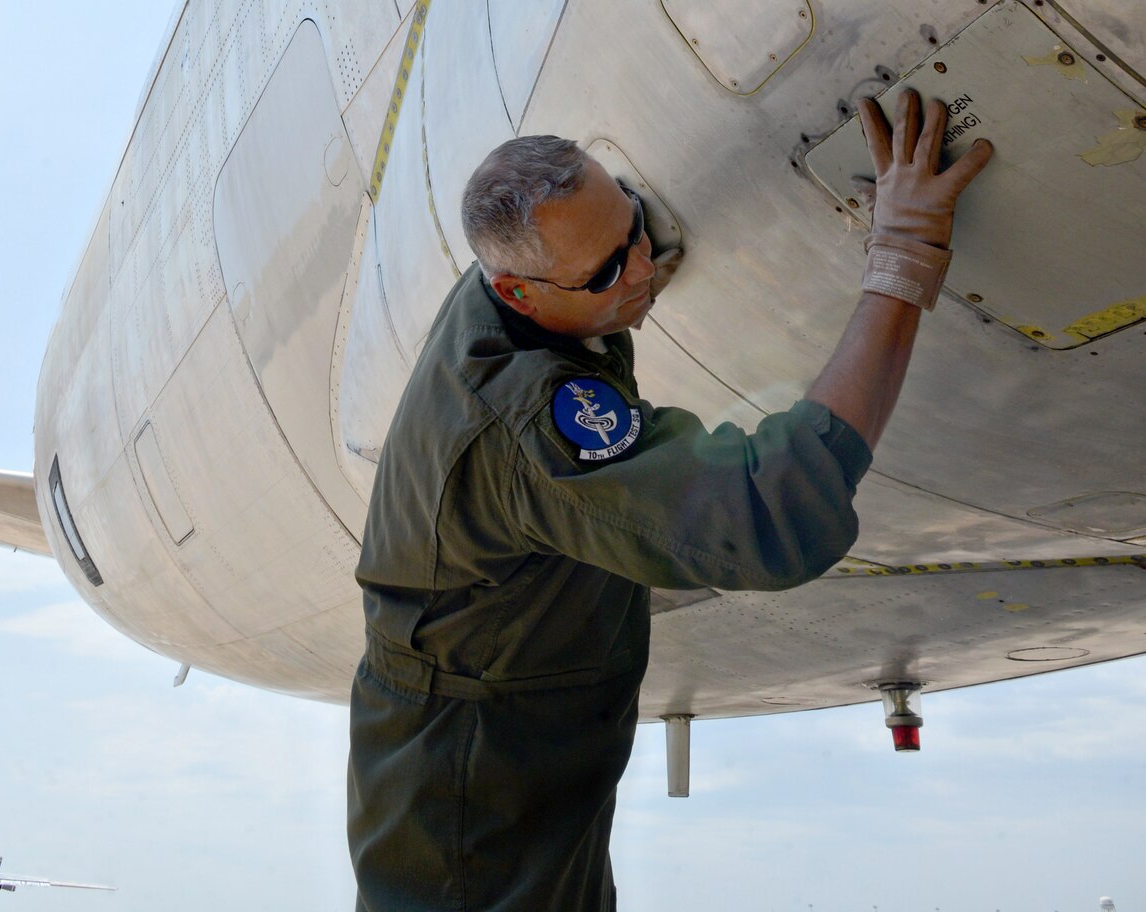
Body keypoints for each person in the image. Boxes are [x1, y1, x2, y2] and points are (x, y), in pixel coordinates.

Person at [347, 91, 992, 911]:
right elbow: (766, 518)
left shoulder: (523, 286)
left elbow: (601, 256)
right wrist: (901, 253)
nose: (643, 267)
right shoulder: (527, 427)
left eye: (635, 228)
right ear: (519, 295)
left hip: (527, 728)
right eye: (610, 272)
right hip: (470, 791)